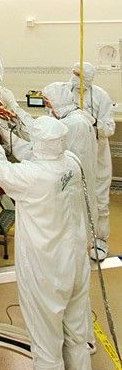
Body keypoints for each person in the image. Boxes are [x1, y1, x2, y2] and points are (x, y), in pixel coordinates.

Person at [0, 115, 93, 370]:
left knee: (46, 346)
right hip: (76, 264)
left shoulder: (31, 176)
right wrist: (6, 132)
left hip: (46, 272)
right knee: (77, 338)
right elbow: (31, 152)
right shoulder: (71, 162)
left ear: (40, 143)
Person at [69, 62, 115, 261]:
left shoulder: (101, 96)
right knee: (74, 199)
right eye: (73, 74)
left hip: (97, 158)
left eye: (79, 75)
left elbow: (109, 128)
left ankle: (100, 240)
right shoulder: (66, 93)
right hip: (73, 156)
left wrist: (93, 122)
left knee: (100, 200)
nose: (74, 78)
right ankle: (76, 240)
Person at [42, 82, 98, 236]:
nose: (47, 106)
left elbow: (57, 151)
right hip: (78, 181)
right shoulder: (76, 117)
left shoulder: (73, 123)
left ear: (57, 101)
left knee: (77, 223)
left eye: (48, 102)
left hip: (75, 184)